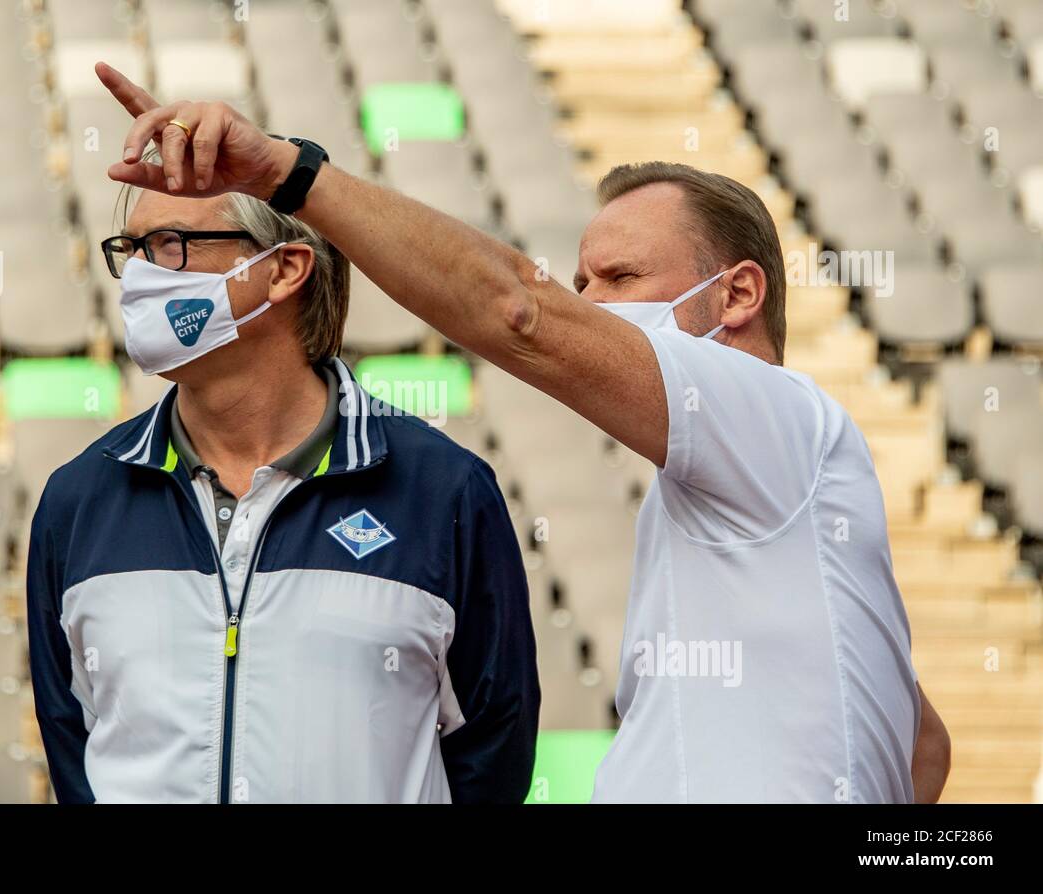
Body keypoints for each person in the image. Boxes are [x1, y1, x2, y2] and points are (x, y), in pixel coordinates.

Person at [92, 62, 952, 803]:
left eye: (619, 277)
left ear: (737, 295)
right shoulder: (752, 492)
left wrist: (288, 170)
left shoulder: (775, 419)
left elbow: (520, 314)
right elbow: (920, 744)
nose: (591, 306)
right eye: (581, 280)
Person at [25, 182, 540, 803]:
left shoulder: (445, 493)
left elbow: (494, 748)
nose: (137, 275)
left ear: (284, 270)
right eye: (130, 249)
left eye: (168, 245)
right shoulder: (79, 499)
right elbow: (72, 742)